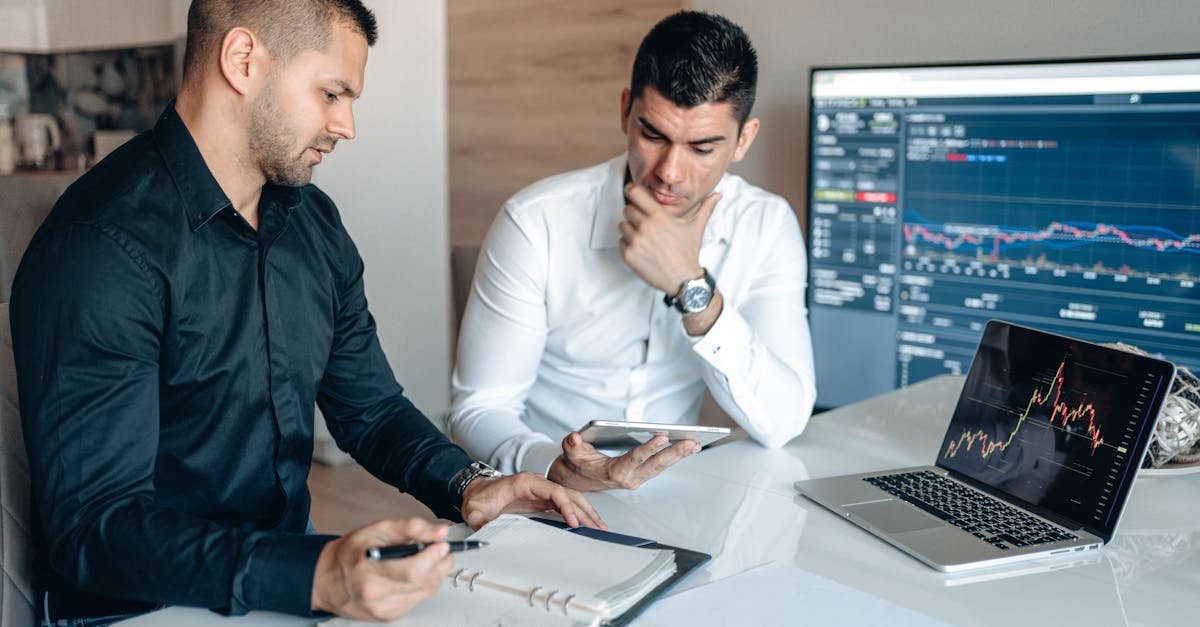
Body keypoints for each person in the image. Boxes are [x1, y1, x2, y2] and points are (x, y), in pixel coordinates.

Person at [9, 1, 602, 625]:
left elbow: (369, 409)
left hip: (284, 575)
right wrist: (315, 574)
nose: (347, 125)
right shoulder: (102, 246)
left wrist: (471, 486)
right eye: (331, 93)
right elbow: (96, 529)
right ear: (243, 60)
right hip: (136, 606)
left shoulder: (312, 224)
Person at [448, 11, 817, 492]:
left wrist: (693, 289)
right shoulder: (536, 221)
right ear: (626, 111)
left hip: (677, 497)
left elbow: (784, 421)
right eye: (653, 135)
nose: (669, 172)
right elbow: (479, 409)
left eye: (702, 148)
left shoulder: (767, 226)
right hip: (544, 492)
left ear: (743, 139)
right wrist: (554, 467)